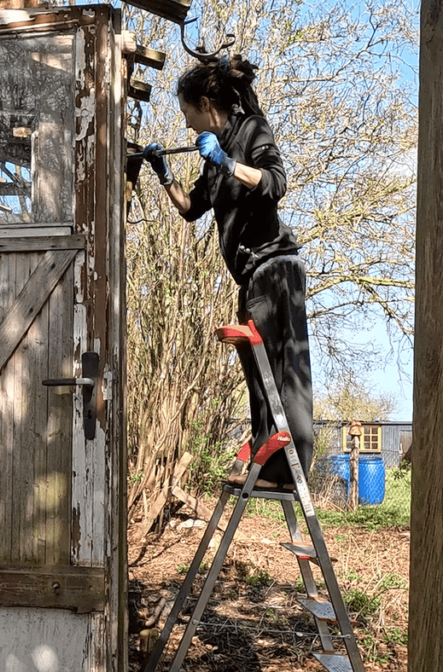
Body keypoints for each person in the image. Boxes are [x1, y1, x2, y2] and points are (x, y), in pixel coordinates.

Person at [143, 54, 312, 489]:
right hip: (251, 274)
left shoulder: (253, 130)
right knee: (259, 375)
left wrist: (226, 162)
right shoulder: (209, 156)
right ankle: (265, 463)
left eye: (187, 114)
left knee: (282, 371)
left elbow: (276, 182)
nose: (186, 126)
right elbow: (190, 209)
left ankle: (288, 474)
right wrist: (162, 173)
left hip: (276, 268)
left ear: (205, 103)